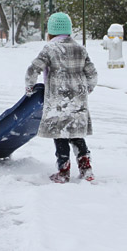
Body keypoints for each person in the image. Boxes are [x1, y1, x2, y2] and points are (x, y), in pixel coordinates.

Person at [25, 12, 98, 183]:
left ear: (50, 31)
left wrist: (30, 86)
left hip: (58, 101)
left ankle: (63, 171)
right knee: (77, 134)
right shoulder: (80, 49)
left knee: (60, 135)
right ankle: (86, 168)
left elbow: (33, 69)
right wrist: (87, 89)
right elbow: (92, 74)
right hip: (78, 100)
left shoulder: (50, 49)